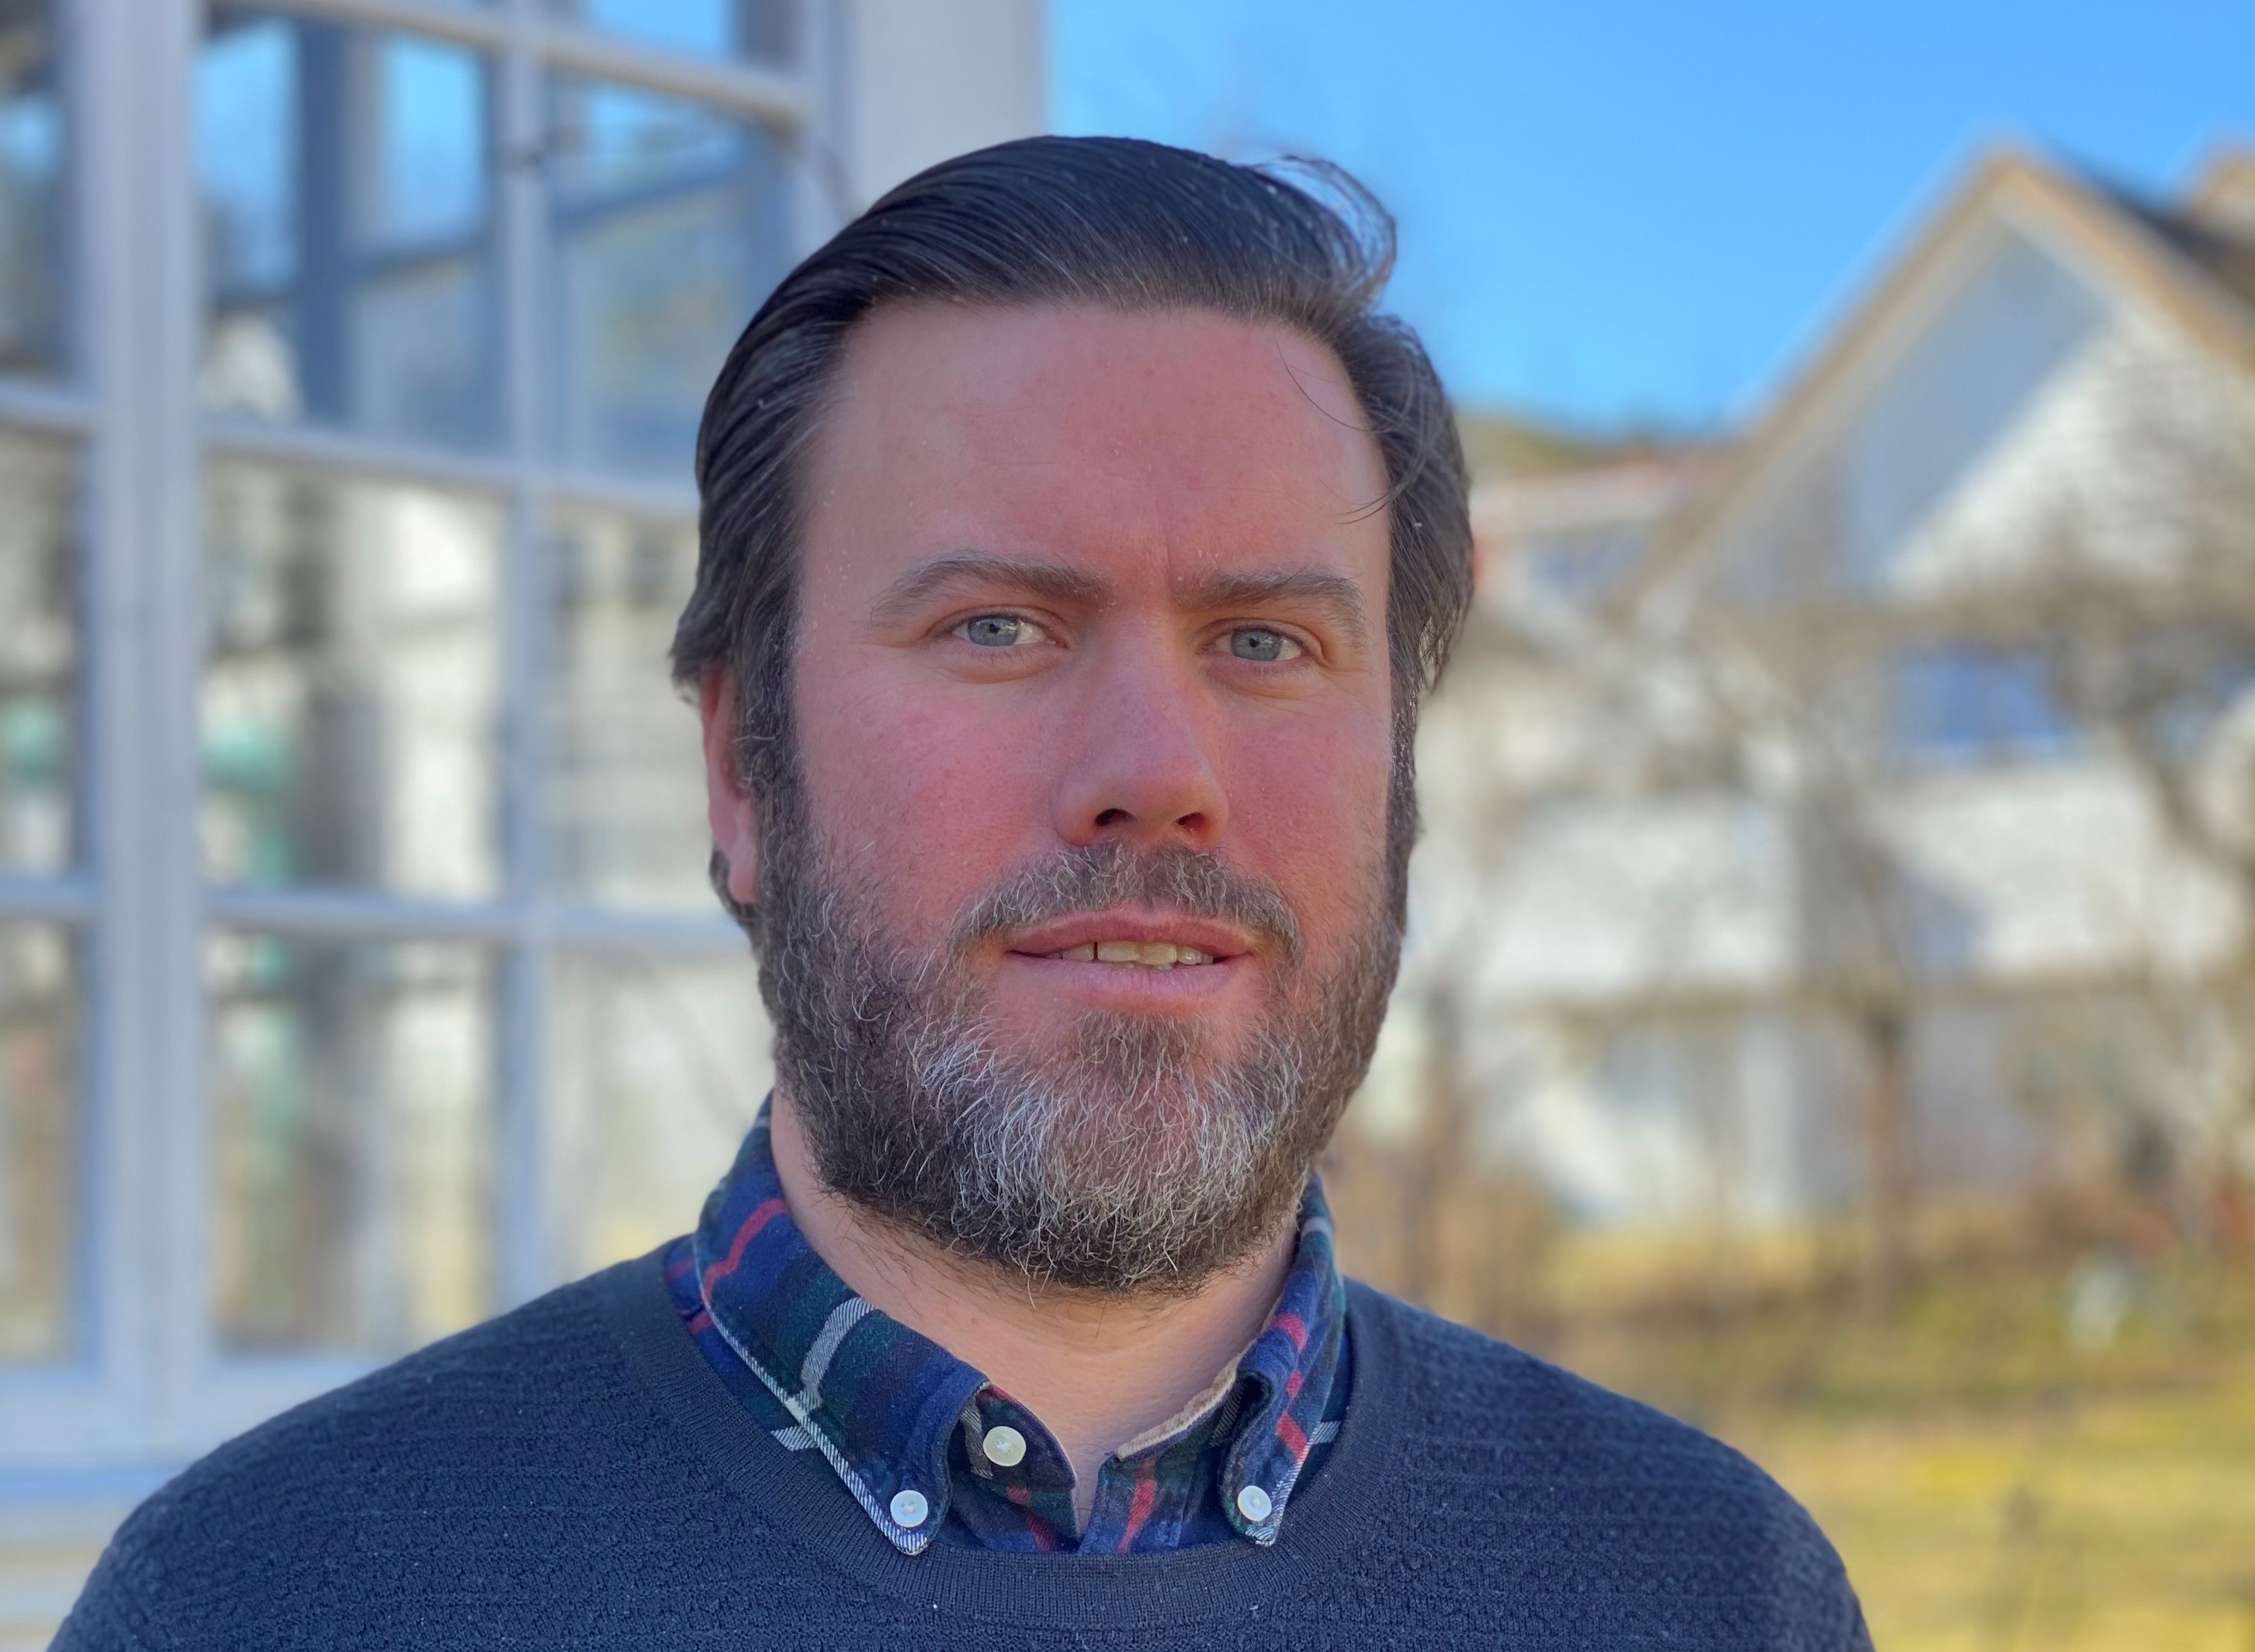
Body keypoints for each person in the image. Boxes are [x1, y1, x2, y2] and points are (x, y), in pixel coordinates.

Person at [60, 136, 1869, 1650]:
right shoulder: (270, 1601)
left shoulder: (1709, 1595)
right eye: (999, 625)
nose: (1157, 767)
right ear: (741, 767)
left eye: (1266, 639)